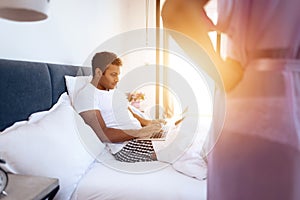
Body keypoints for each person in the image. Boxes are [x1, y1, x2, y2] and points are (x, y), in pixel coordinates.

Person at [162, 0, 300, 199]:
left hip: (253, 99)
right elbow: (178, 10)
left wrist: (221, 70)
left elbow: (178, 10)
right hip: (259, 97)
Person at [74, 51, 163, 162]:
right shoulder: (87, 96)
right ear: (98, 72)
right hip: (125, 147)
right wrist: (139, 133)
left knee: (179, 135)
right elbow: (103, 133)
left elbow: (129, 110)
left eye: (118, 74)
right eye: (113, 75)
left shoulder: (113, 90)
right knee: (176, 148)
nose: (117, 79)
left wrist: (148, 123)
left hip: (140, 135)